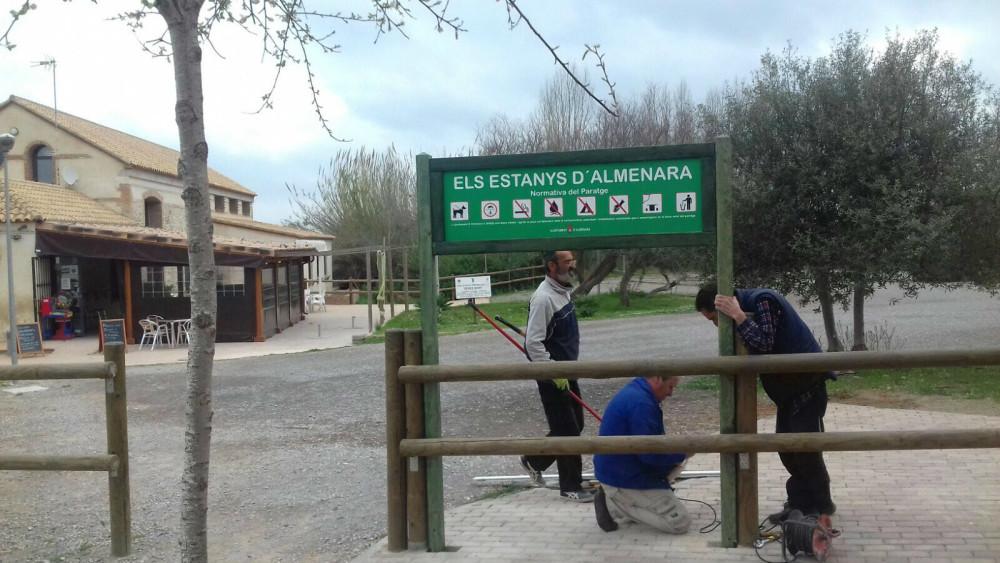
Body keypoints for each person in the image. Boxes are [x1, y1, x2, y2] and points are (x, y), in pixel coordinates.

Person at [695, 284, 835, 522]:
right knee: (788, 450)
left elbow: (764, 344)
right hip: (789, 392)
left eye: (714, 319)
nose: (717, 325)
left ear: (723, 307)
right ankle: (799, 504)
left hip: (806, 386)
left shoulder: (763, 301)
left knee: (805, 449)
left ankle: (820, 507)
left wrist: (739, 317)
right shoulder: (755, 302)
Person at [519, 250, 595, 503]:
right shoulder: (543, 299)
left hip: (567, 372)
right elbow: (533, 343)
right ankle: (571, 486)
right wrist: (551, 371)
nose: (572, 265)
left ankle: (534, 460)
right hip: (552, 375)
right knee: (568, 431)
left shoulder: (562, 292)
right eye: (567, 262)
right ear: (552, 266)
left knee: (576, 424)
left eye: (573, 260)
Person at [592, 375, 692, 534]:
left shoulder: (637, 392)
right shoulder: (641, 404)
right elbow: (649, 454)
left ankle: (622, 499)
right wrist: (681, 453)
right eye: (670, 387)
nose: (671, 393)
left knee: (678, 459)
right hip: (625, 476)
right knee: (679, 522)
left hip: (622, 469)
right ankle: (615, 507)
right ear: (658, 379)